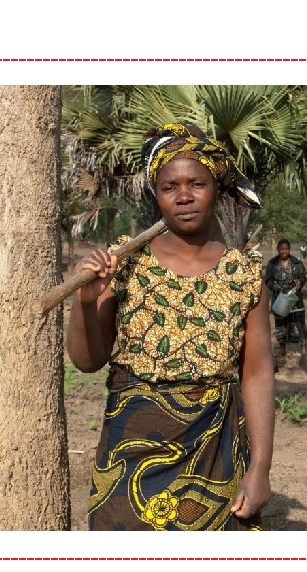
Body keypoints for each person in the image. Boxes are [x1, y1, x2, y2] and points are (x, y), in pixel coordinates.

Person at [66, 122, 274, 530]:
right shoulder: (125, 263)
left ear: (216, 188)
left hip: (214, 449)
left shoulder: (244, 275)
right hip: (131, 449)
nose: (183, 196)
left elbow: (257, 373)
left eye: (196, 183)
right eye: (169, 187)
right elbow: (88, 361)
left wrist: (261, 467)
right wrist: (86, 303)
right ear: (157, 194)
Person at [263, 238, 307, 360]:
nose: (284, 252)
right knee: (280, 324)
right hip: (279, 299)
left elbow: (303, 276)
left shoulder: (297, 263)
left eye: (286, 249)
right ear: (278, 250)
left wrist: (300, 282)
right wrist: (273, 286)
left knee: (299, 322)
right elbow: (267, 279)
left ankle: (304, 348)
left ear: (289, 249)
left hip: (294, 298)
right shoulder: (272, 264)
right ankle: (282, 349)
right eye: (282, 249)